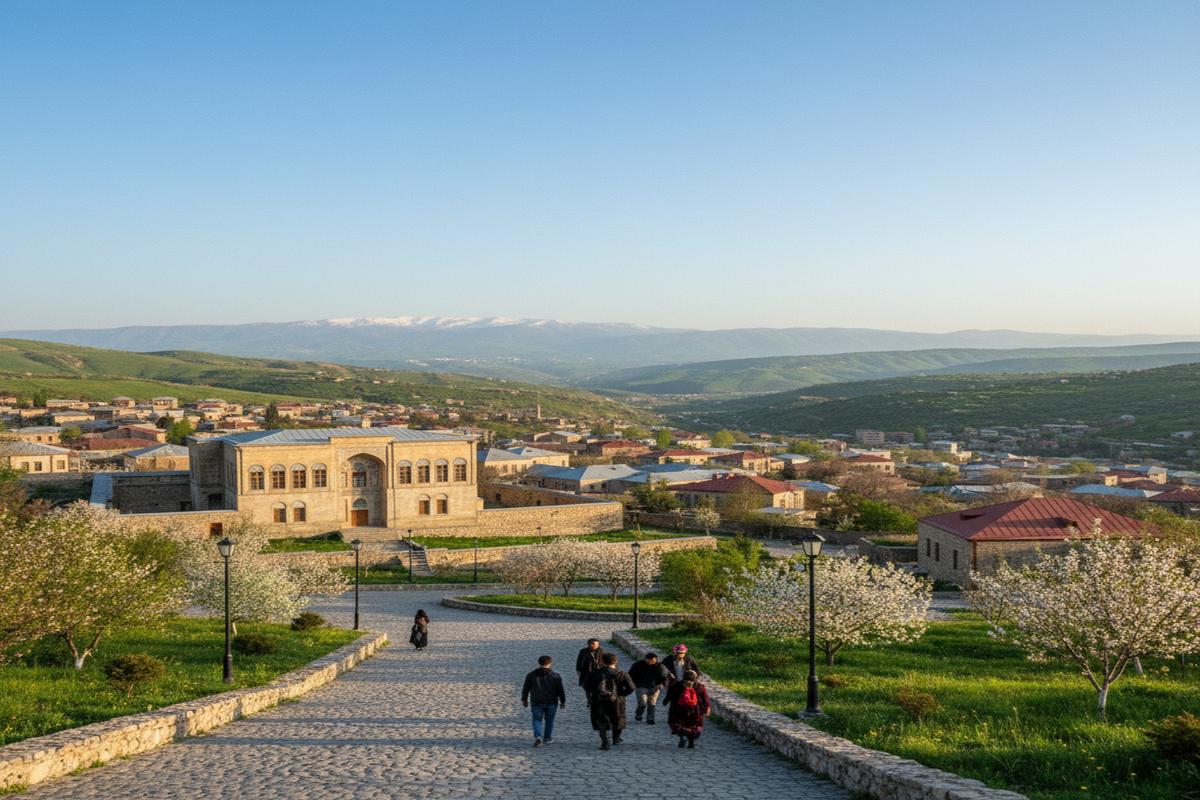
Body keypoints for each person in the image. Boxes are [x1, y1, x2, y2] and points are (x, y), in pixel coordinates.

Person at [583, 652, 635, 750]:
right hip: (617, 701)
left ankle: (605, 742)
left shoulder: (594, 673)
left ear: (603, 661)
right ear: (616, 661)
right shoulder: (622, 673)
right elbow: (631, 687)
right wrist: (621, 694)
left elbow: (586, 687)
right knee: (617, 719)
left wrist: (594, 694)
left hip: (599, 701)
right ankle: (616, 738)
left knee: (601, 720)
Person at [521, 655, 566, 747]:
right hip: (552, 701)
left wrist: (524, 699)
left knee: (537, 719)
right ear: (550, 663)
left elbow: (526, 688)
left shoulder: (531, 675)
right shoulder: (556, 676)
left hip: (536, 701)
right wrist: (563, 701)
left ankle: (538, 737)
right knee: (549, 720)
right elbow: (560, 690)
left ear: (539, 663)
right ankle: (547, 738)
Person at [663, 669, 711, 749]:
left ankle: (682, 735)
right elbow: (705, 698)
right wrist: (707, 707)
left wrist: (665, 701)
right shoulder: (700, 687)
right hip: (695, 711)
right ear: (695, 678)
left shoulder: (676, 685)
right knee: (693, 726)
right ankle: (691, 742)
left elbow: (669, 695)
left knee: (678, 724)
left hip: (678, 709)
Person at [627, 651, 669, 724]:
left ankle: (650, 719)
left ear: (656, 659)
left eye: (653, 660)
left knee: (652, 703)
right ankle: (639, 714)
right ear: (645, 659)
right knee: (642, 703)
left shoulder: (660, 666)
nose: (651, 662)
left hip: (655, 687)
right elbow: (630, 675)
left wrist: (662, 684)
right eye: (649, 660)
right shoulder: (637, 665)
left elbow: (665, 676)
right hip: (641, 686)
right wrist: (632, 685)